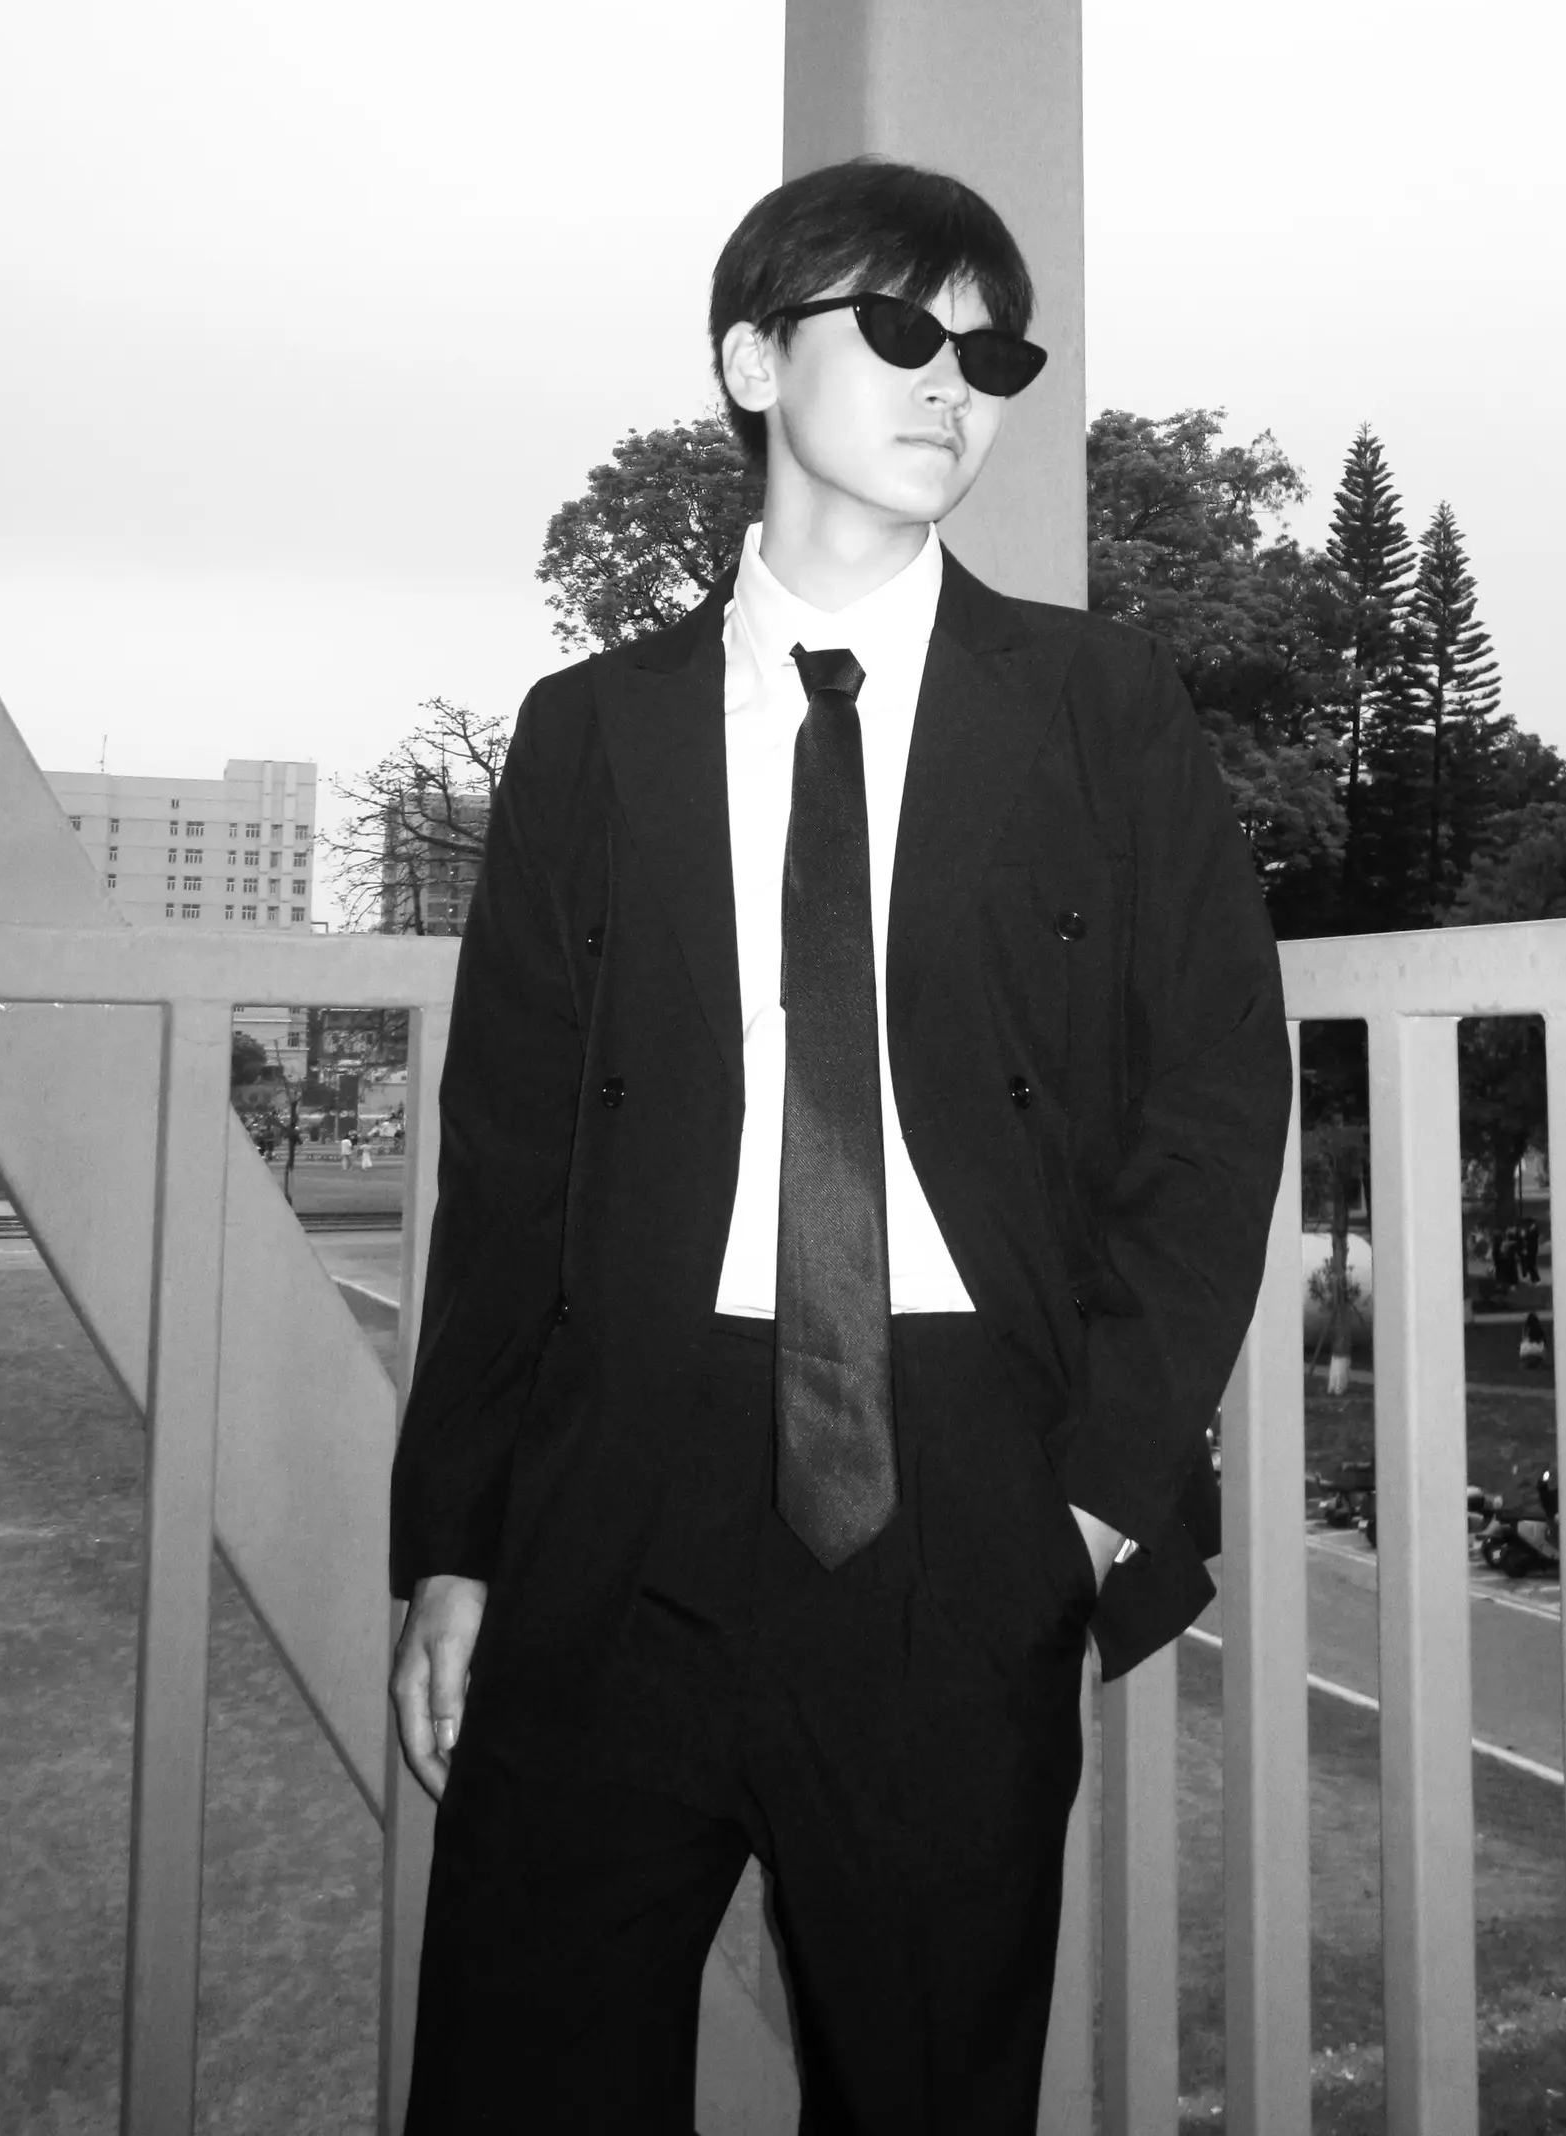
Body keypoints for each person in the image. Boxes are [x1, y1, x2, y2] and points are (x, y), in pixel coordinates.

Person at [388, 160, 1291, 2134]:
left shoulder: (1101, 707)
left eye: (991, 352)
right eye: (895, 329)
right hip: (613, 1495)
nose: (952, 381)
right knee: (523, 2070)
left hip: (959, 1490)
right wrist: (456, 1539)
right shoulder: (590, 733)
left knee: (927, 2086)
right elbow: (510, 1162)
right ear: (750, 361)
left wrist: (1093, 1495)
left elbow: (1217, 1099)